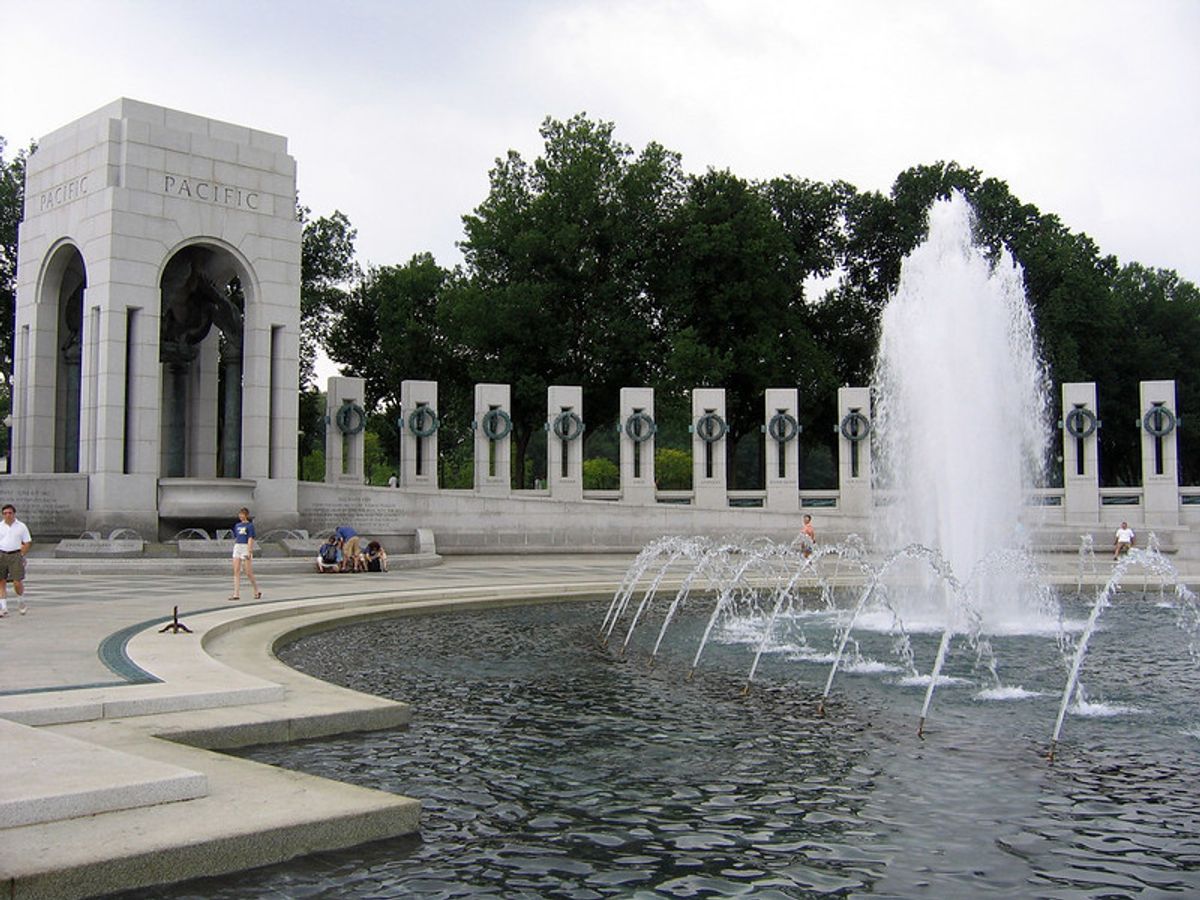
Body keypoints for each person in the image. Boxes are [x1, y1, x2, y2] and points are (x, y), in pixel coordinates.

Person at [0, 503, 32, 617]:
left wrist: (21, 554)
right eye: (5, 513)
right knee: (1, 581)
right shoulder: (0, 526)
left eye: (10, 513)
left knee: (17, 581)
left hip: (15, 554)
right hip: (2, 554)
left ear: (14, 514)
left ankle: (21, 601)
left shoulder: (21, 526)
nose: (8, 515)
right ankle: (3, 607)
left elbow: (27, 542)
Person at [230, 507, 261, 600]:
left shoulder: (250, 526)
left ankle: (256, 590)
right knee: (236, 570)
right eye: (240, 514)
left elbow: (250, 538)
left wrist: (249, 550)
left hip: (245, 547)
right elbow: (237, 536)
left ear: (246, 515)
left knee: (248, 572)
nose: (241, 516)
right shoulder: (237, 525)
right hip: (238, 546)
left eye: (242, 514)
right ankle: (236, 594)